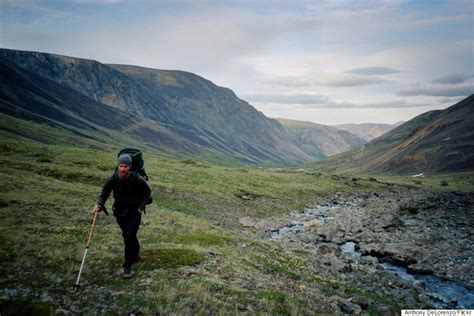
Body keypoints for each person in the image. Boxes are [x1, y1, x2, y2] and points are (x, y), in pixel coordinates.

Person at [93, 153, 151, 278]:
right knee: (127, 235)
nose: (123, 169)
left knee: (129, 237)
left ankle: (127, 267)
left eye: (125, 166)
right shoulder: (113, 179)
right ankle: (135, 256)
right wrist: (99, 204)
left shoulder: (137, 179)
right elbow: (104, 194)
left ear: (130, 167)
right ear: (118, 166)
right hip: (119, 211)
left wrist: (141, 207)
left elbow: (147, 193)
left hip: (135, 211)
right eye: (121, 166)